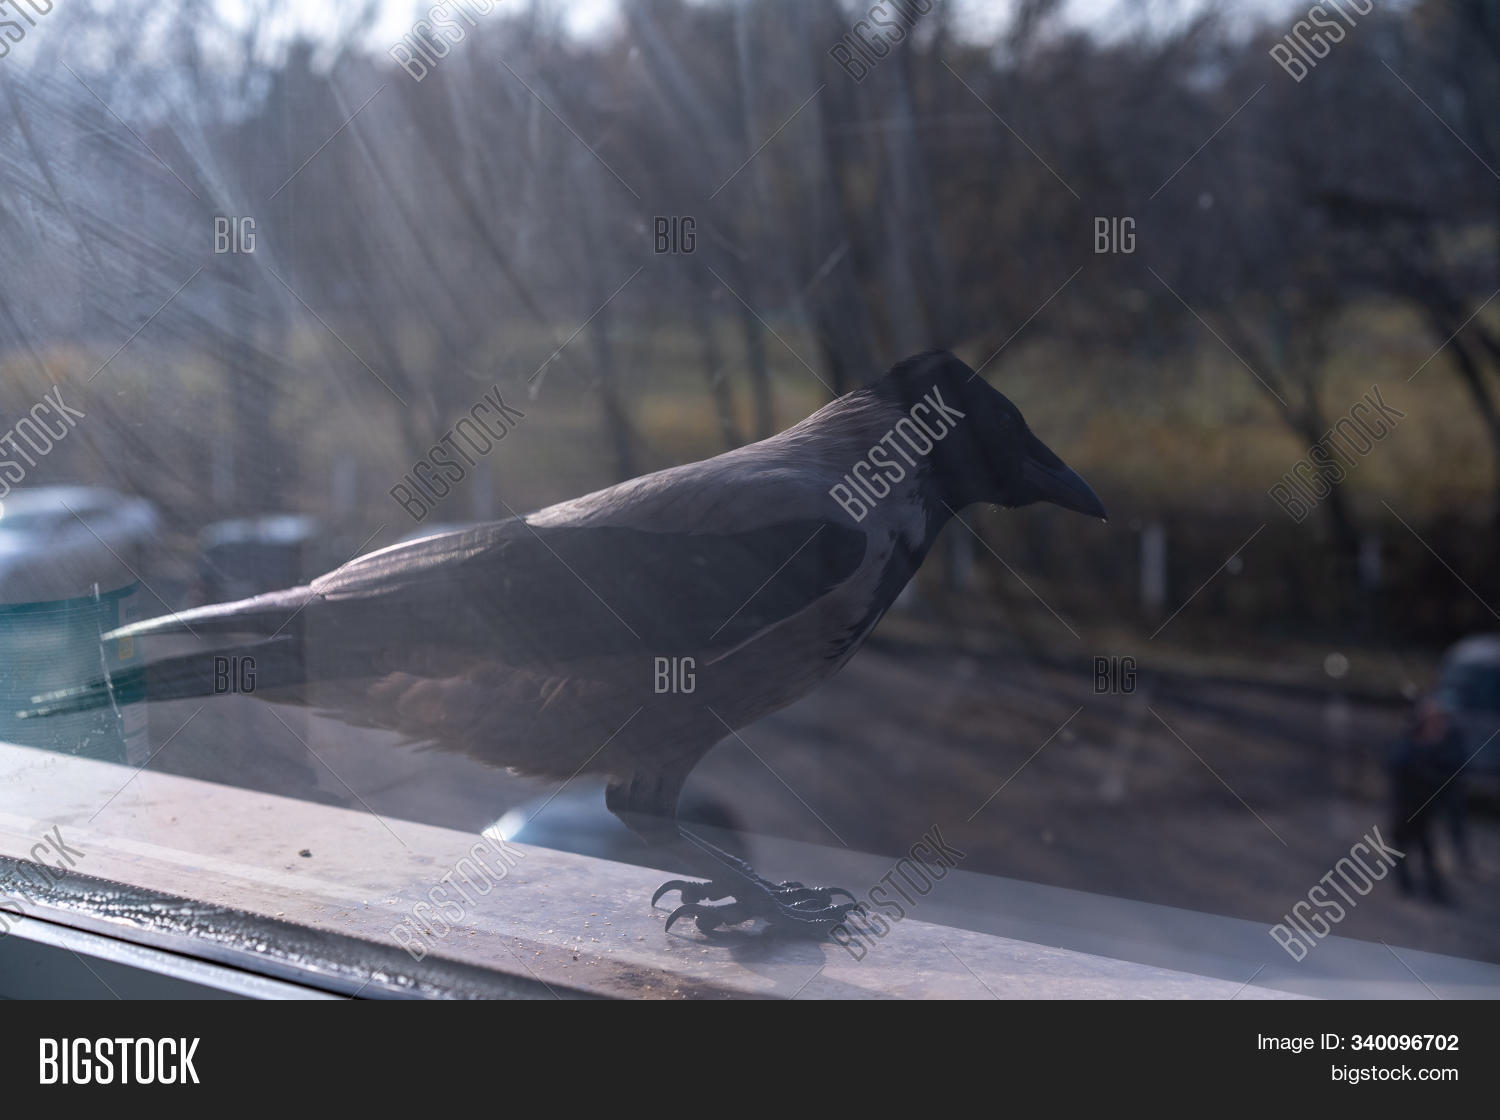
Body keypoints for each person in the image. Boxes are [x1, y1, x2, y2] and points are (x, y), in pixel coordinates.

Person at [1388, 696, 1469, 903]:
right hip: (1405, 805)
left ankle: (1434, 888)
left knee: (1426, 848)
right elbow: (1398, 766)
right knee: (1401, 846)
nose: (1439, 723)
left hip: (1425, 808)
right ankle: (1406, 883)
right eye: (1435, 718)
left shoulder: (1445, 742)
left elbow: (1452, 771)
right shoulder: (1410, 741)